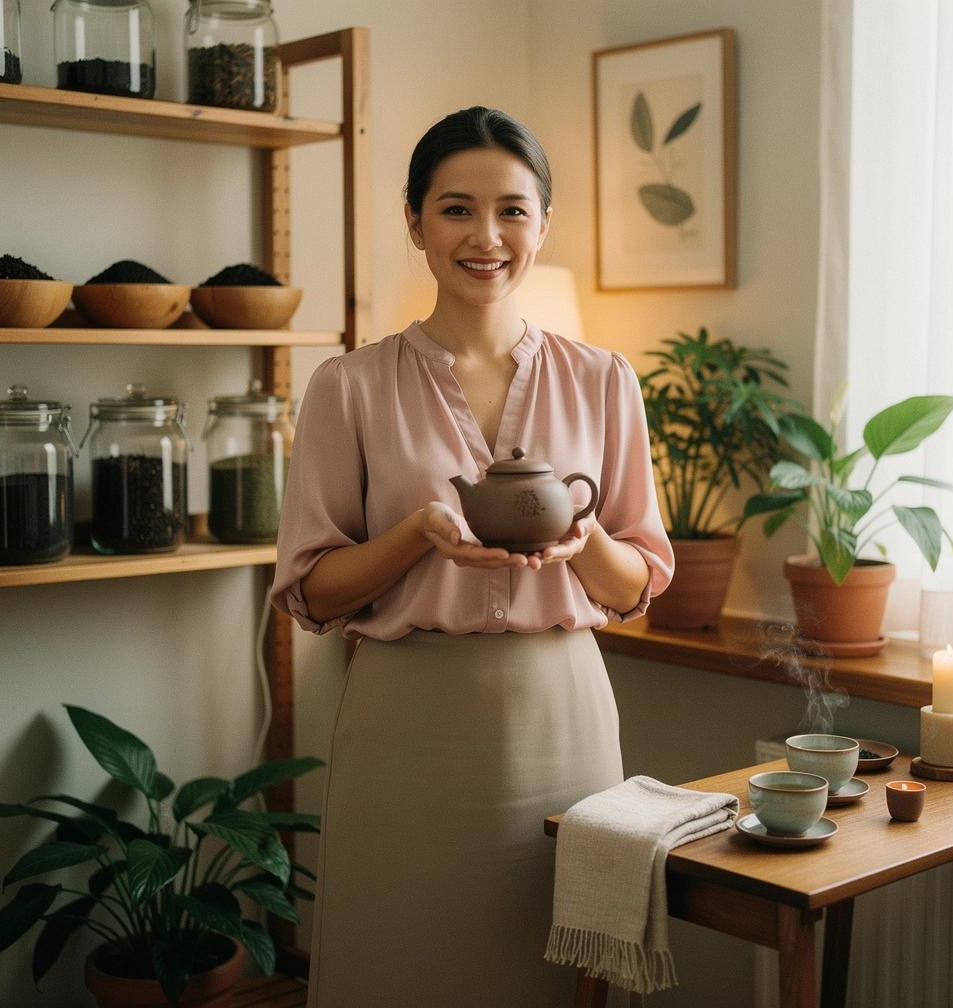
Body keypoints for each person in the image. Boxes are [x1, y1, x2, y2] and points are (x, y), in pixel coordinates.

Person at [271, 105, 674, 1008]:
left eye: (512, 211)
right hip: (407, 721)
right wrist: (416, 535)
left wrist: (582, 539)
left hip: (563, 719)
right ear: (414, 222)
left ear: (543, 224)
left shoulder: (605, 379)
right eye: (455, 209)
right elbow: (312, 592)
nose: (485, 236)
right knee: (402, 966)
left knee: (552, 974)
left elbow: (638, 582)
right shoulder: (350, 386)